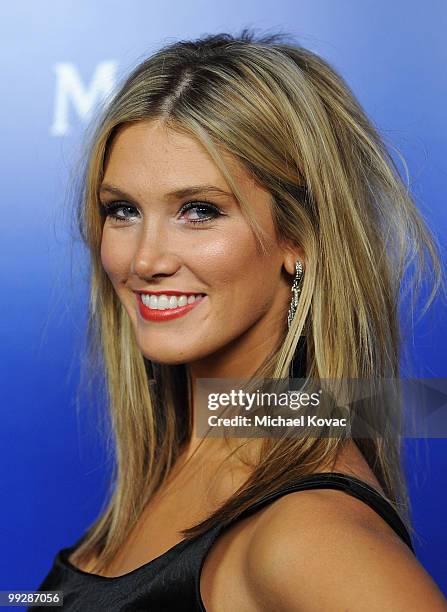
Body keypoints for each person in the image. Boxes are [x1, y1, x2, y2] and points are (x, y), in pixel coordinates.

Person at [33, 29, 447, 610]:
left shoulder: (305, 532)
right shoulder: (199, 449)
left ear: (298, 237)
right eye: (122, 210)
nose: (145, 259)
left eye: (199, 211)